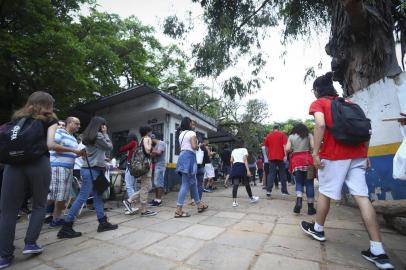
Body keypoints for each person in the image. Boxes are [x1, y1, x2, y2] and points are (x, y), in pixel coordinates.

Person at [300, 72, 394, 270]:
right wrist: (365, 155)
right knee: (362, 196)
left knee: (325, 191)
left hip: (334, 156)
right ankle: (378, 250)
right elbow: (366, 128)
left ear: (317, 91)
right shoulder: (350, 103)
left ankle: (318, 229)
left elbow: (320, 124)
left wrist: (315, 153)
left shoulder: (320, 104)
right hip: (358, 155)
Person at [0, 92, 82, 268]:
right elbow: (51, 145)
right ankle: (30, 243)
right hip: (38, 164)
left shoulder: (15, 120)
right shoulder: (49, 119)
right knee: (39, 204)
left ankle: (5, 255)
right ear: (48, 104)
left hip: (13, 165)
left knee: (7, 211)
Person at [57, 116, 118, 239]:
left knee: (97, 197)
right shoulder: (99, 136)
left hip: (91, 170)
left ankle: (102, 222)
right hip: (93, 171)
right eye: (103, 125)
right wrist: (106, 133)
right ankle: (66, 226)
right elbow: (109, 147)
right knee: (83, 197)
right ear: (100, 125)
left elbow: (94, 153)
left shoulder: (88, 136)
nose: (104, 127)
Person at [47, 117, 82, 228]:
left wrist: (79, 154)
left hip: (68, 168)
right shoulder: (59, 132)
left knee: (63, 196)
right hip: (58, 167)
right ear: (69, 123)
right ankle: (37, 214)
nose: (79, 126)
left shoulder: (73, 138)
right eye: (77, 123)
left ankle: (55, 219)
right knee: (54, 196)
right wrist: (73, 151)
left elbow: (72, 153)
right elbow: (52, 146)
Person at [174, 117, 208, 217]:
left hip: (182, 157)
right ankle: (178, 210)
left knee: (193, 183)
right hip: (189, 157)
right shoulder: (192, 133)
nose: (193, 125)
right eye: (191, 123)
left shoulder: (181, 134)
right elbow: (193, 147)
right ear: (188, 124)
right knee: (185, 184)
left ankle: (199, 205)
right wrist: (199, 146)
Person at [122, 126, 157, 217]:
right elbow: (147, 150)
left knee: (147, 187)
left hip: (144, 166)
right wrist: (151, 146)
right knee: (145, 187)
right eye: (150, 131)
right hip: (145, 166)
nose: (151, 134)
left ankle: (129, 201)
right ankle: (143, 210)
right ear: (147, 132)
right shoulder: (146, 139)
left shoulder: (141, 139)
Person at [285, 123, 316, 215]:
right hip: (308, 161)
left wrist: (293, 149)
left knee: (299, 183)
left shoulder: (291, 136)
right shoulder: (309, 135)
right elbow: (314, 147)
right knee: (309, 184)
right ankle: (310, 208)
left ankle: (299, 201)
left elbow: (287, 149)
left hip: (296, 161)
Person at [230, 139, 259, 207]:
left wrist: (232, 167)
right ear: (242, 144)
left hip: (235, 166)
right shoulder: (244, 149)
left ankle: (234, 202)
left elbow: (231, 160)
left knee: (235, 184)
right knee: (246, 183)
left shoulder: (233, 150)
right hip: (242, 166)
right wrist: (248, 170)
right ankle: (251, 198)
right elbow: (245, 160)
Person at [264, 124, 289, 197]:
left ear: (273, 129)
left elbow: (266, 148)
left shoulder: (268, 136)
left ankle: (268, 191)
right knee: (282, 174)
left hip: (271, 157)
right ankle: (284, 191)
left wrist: (268, 155)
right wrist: (285, 155)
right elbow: (285, 146)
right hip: (281, 156)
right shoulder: (282, 135)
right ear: (279, 128)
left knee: (271, 174)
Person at [119, 132, 139, 214]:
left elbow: (121, 149)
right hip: (135, 167)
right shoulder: (137, 144)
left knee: (129, 185)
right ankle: (134, 205)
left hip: (130, 166)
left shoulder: (133, 143)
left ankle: (131, 205)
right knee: (133, 186)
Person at [150, 135, 166, 207]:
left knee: (159, 182)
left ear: (152, 139)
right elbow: (153, 155)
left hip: (160, 165)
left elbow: (159, 152)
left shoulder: (161, 143)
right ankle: (156, 199)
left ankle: (159, 200)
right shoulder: (155, 145)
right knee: (155, 183)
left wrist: (150, 149)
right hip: (155, 165)